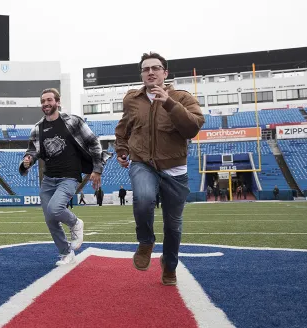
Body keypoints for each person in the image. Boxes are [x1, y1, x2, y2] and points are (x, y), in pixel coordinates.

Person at [115, 52, 205, 286]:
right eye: (146, 69)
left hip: (174, 169)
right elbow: (123, 128)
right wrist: (122, 149)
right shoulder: (132, 99)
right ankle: (146, 242)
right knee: (143, 198)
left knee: (173, 226)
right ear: (142, 74)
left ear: (165, 73)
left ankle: (169, 265)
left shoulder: (182, 97)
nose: (150, 72)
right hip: (142, 162)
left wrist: (168, 102)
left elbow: (192, 128)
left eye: (156, 68)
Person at [19, 88, 110, 266]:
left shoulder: (73, 121)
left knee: (55, 209)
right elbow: (32, 150)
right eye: (43, 101)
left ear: (58, 102)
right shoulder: (38, 128)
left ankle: (76, 223)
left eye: (49, 100)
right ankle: (65, 253)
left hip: (69, 176)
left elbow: (93, 142)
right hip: (49, 179)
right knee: (50, 219)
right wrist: (27, 160)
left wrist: (97, 169)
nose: (46, 103)